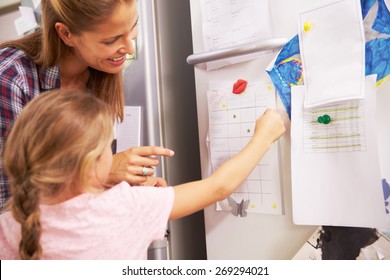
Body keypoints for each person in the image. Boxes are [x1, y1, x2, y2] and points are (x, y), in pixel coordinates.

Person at [0, 89, 286, 260]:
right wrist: (264, 137)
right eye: (107, 147)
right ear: (91, 164)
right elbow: (219, 188)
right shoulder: (127, 207)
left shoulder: (10, 221)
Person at [0, 0, 173, 212]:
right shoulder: (10, 78)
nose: (129, 47)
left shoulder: (98, 72)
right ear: (66, 34)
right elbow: (9, 205)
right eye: (112, 39)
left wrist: (125, 186)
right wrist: (102, 172)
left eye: (133, 26)